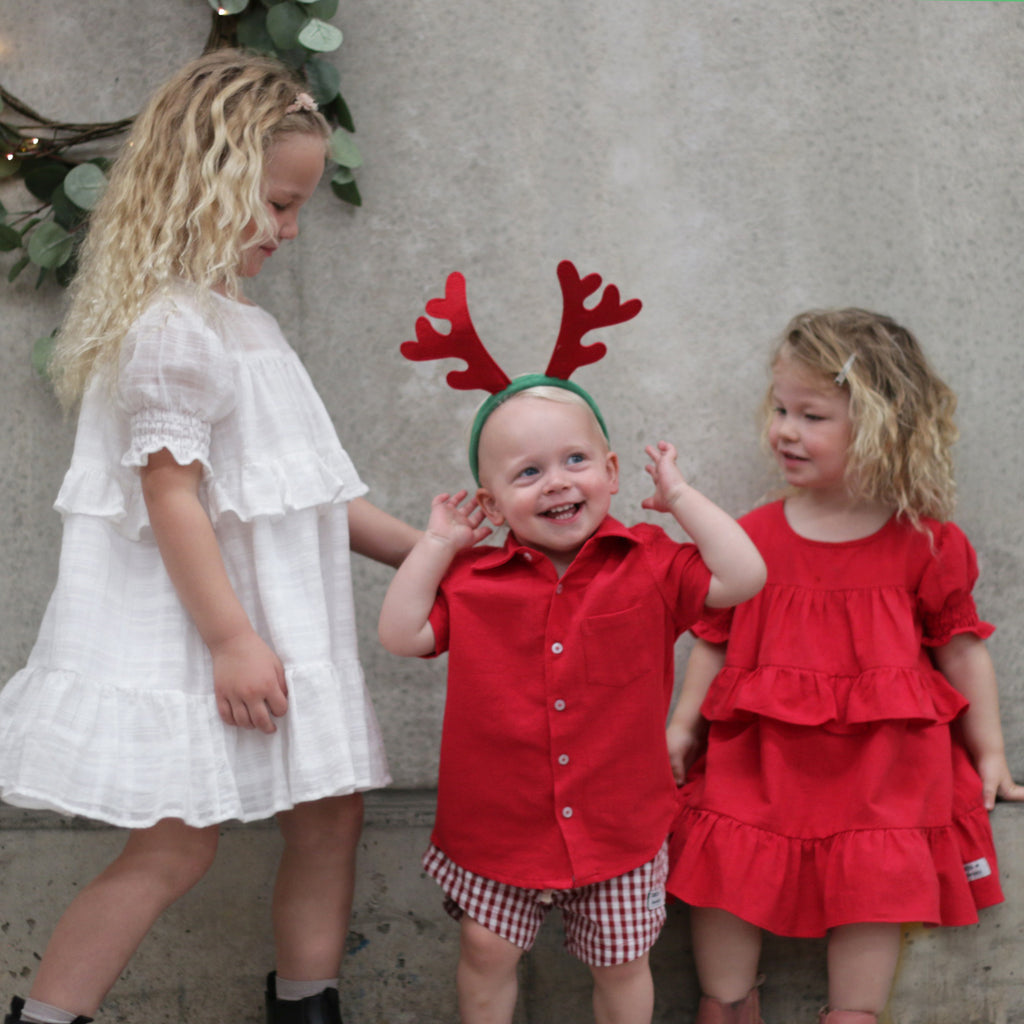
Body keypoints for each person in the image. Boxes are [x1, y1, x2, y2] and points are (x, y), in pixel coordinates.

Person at [0, 50, 418, 1024]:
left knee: (330, 812)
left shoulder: (239, 323)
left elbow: (300, 495)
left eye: (297, 205)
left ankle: (307, 1005)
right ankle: (45, 1017)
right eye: (275, 203)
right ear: (206, 178)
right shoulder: (171, 329)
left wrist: (427, 550)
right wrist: (233, 641)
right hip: (213, 640)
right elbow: (171, 495)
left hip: (281, 640)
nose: (289, 228)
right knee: (175, 844)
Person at [378, 262, 767, 1024]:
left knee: (623, 965)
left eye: (575, 461)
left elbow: (746, 575)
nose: (556, 482)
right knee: (486, 956)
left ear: (613, 471)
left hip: (621, 823)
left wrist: (682, 498)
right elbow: (400, 635)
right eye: (527, 473)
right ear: (491, 502)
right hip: (498, 826)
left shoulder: (651, 560)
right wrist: (434, 544)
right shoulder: (473, 578)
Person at [665, 309, 1024, 1024]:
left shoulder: (924, 542)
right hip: (760, 761)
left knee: (876, 888)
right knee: (725, 870)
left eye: (812, 414)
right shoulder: (753, 537)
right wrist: (681, 727)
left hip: (881, 772)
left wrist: (990, 753)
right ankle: (728, 1002)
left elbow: (959, 645)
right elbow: (713, 637)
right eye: (780, 408)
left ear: (883, 426)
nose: (785, 430)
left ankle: (854, 1015)